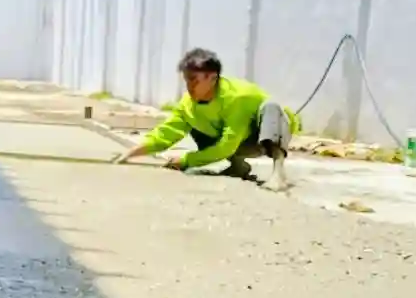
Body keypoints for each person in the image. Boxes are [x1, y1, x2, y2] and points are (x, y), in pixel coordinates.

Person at [116, 48, 300, 192]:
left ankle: (278, 173)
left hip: (263, 136)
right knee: (195, 123)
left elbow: (227, 145)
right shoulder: (188, 103)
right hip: (238, 140)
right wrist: (133, 152)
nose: (189, 86)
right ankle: (238, 167)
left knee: (271, 107)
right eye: (187, 80)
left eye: (194, 80)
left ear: (212, 78)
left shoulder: (237, 98)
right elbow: (167, 132)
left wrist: (187, 160)